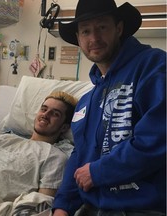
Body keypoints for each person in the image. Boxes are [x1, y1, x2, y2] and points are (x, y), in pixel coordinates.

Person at [52, 0, 166, 215]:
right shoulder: (86, 102)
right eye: (85, 31)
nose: (94, 38)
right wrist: (62, 206)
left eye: (102, 27)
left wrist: (98, 171)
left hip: (142, 207)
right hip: (92, 207)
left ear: (119, 28)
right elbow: (79, 155)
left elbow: (159, 137)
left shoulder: (153, 66)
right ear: (78, 38)